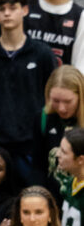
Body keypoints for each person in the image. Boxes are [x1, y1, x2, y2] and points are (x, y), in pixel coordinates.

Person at [0, 0, 57, 185]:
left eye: (13, 8)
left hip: (33, 145)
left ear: (25, 10)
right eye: (2, 9)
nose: (7, 13)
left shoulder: (42, 54)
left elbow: (51, 100)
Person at [32, 65, 84, 197]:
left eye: (68, 101)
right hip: (52, 198)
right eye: (55, 101)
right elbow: (38, 166)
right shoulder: (43, 118)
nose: (61, 108)